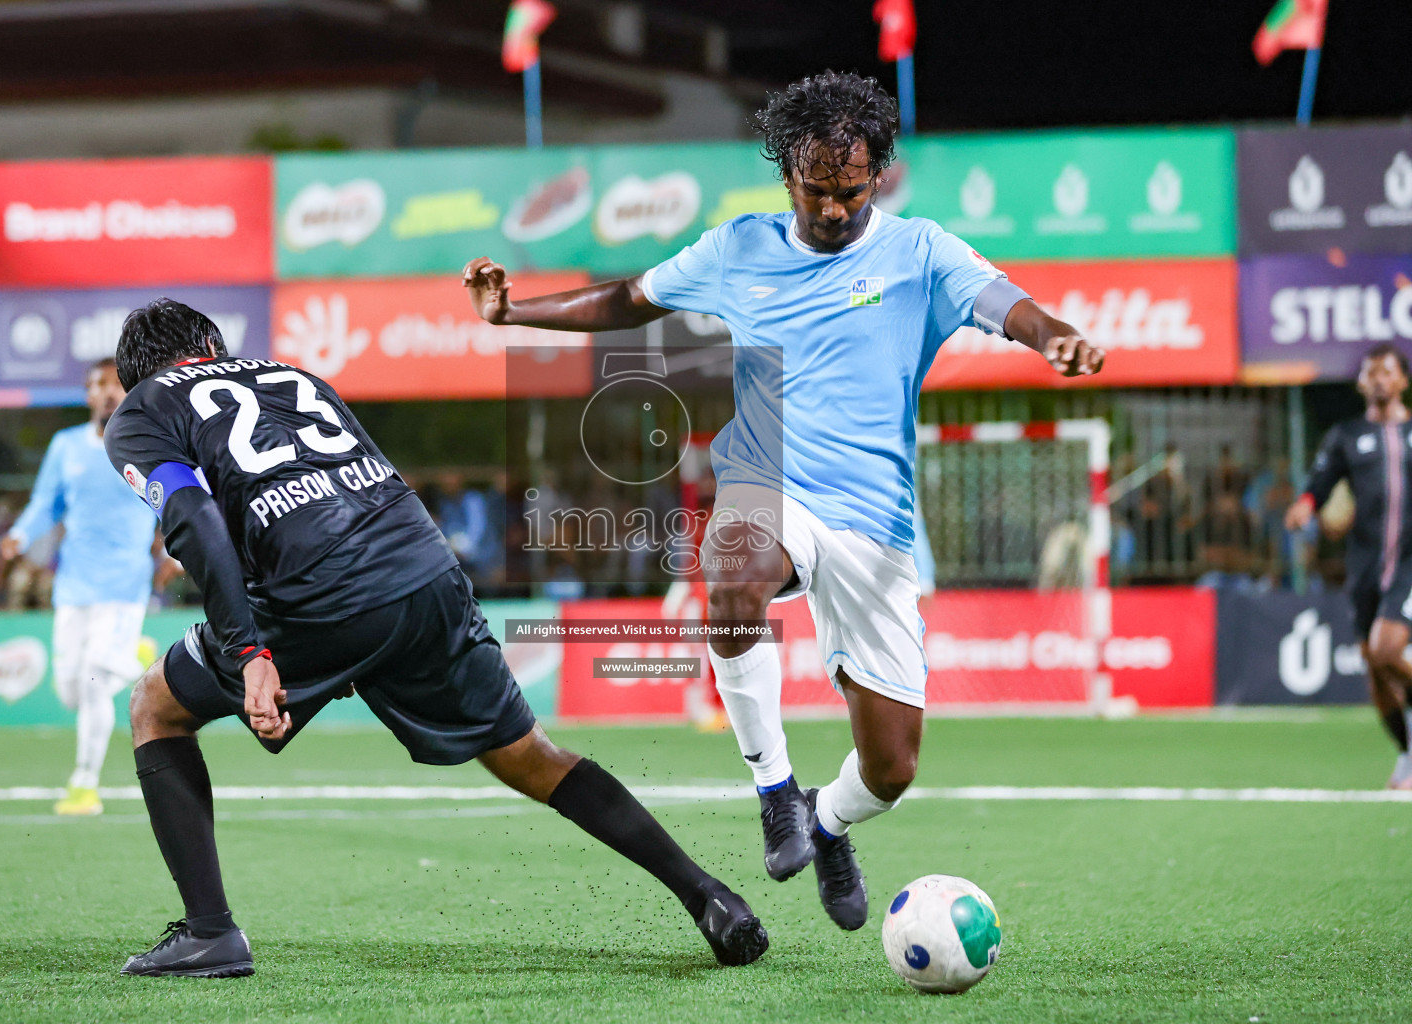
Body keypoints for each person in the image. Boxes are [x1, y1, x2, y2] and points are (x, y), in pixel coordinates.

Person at [463, 71, 1103, 930]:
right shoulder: (738, 249)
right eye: (816, 191)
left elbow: (1002, 303)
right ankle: (772, 787)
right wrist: (513, 315)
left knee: (892, 770)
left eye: (851, 191)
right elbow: (629, 299)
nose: (834, 210)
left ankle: (826, 822)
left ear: (876, 175)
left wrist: (1050, 332)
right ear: (786, 174)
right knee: (731, 570)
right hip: (770, 485)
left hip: (874, 526)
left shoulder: (920, 251)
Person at [105, 299, 767, 978]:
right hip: (423, 571)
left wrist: (250, 655)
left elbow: (195, 519)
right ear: (212, 345)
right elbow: (351, 492)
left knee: (155, 705)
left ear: (136, 376)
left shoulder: (141, 411)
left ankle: (211, 933)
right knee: (529, 756)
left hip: (316, 592)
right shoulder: (292, 375)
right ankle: (710, 897)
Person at [0, 359, 161, 817]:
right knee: (70, 691)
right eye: (96, 385)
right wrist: (21, 535)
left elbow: (173, 499)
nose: (105, 391)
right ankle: (136, 659)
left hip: (124, 583)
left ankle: (84, 785)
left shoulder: (146, 442)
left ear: (127, 391)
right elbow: (44, 503)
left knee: (91, 684)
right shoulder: (65, 446)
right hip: (73, 586)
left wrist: (173, 551)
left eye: (113, 384)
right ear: (87, 394)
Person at [1285, 343, 1412, 790]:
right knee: (1376, 669)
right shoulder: (1345, 435)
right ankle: (1406, 754)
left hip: (1410, 565)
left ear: (1402, 381)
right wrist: (1305, 505)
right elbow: (1320, 482)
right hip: (1364, 566)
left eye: (1387, 371)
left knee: (1387, 649)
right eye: (1371, 372)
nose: (1378, 379)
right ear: (1361, 383)